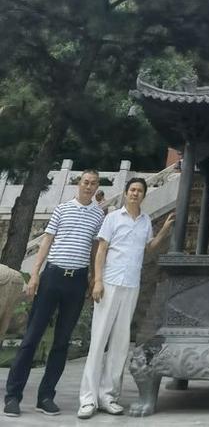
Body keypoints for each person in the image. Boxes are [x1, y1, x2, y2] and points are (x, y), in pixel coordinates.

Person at [3, 169, 104, 418]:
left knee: (61, 342)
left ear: (96, 187)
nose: (88, 187)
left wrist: (93, 278)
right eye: (85, 182)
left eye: (93, 184)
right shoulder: (62, 209)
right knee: (31, 338)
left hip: (77, 280)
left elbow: (94, 250)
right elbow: (47, 241)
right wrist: (35, 274)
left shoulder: (98, 215)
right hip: (52, 277)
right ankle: (13, 396)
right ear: (78, 184)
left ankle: (46, 396)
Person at [77, 178, 175, 419]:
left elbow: (147, 249)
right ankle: (88, 399)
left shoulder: (144, 222)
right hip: (109, 283)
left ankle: (108, 395)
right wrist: (97, 280)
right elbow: (101, 250)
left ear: (144, 196)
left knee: (121, 344)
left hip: (131, 285)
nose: (135, 194)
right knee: (99, 340)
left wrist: (163, 232)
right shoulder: (112, 218)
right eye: (132, 190)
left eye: (139, 191)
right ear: (125, 193)